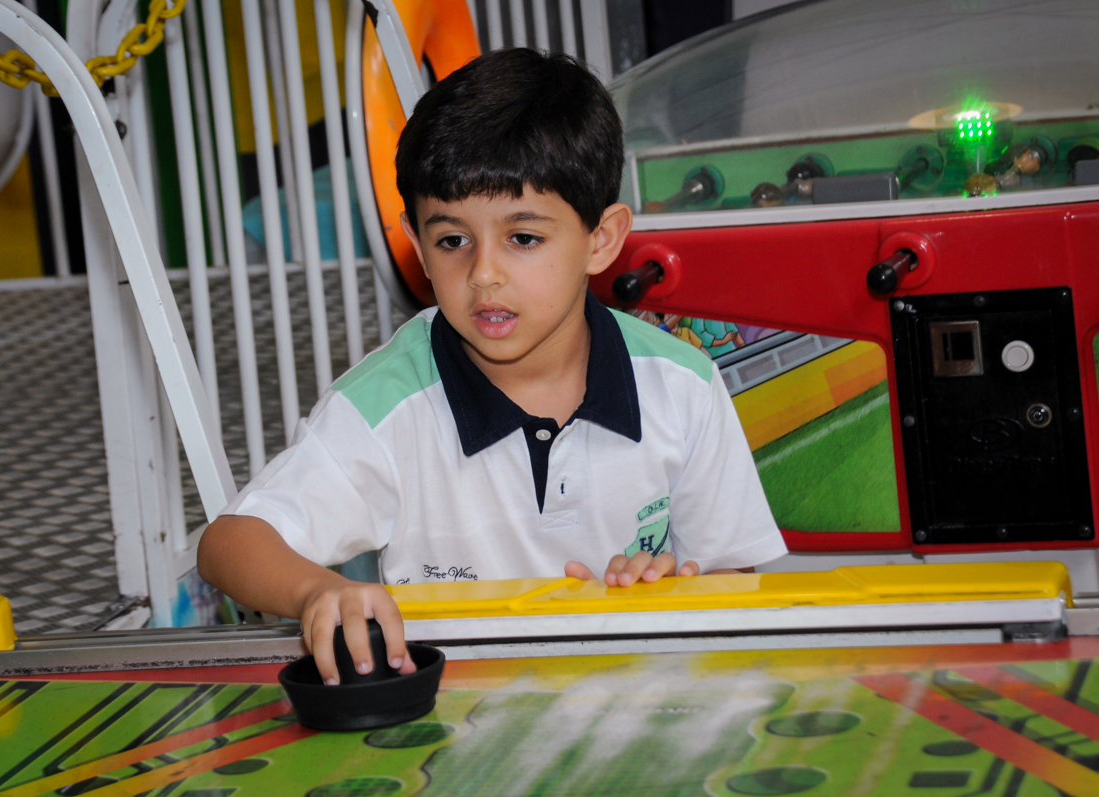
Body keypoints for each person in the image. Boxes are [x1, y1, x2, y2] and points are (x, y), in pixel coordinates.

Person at [197, 48, 786, 685]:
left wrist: (673, 588)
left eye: (523, 238)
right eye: (452, 240)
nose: (482, 274)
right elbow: (230, 544)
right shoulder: (389, 404)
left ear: (602, 240)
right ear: (417, 245)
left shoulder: (683, 387)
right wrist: (317, 592)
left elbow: (733, 583)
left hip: (638, 713)